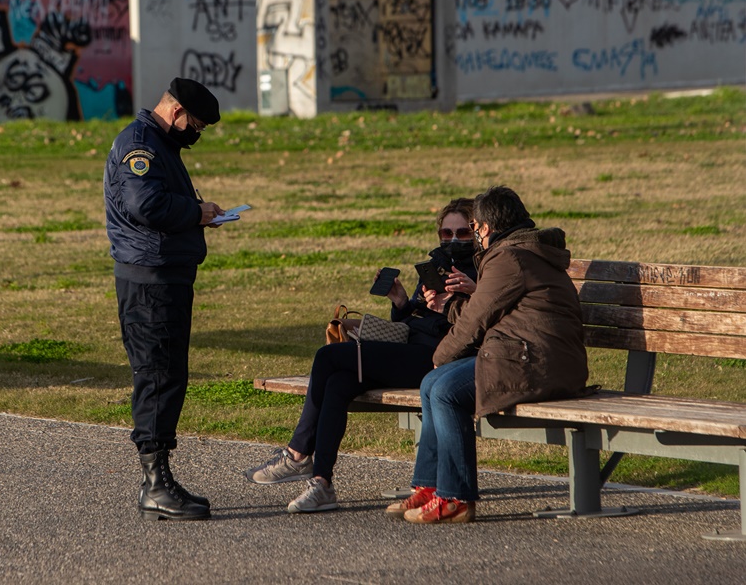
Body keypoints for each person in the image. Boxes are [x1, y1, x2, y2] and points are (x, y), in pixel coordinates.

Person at [244, 199, 479, 513]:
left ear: (476, 231)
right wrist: (400, 301)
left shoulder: (481, 270)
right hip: (409, 351)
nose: (452, 239)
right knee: (339, 382)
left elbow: (475, 326)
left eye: (461, 232)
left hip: (439, 361)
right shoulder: (435, 265)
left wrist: (459, 299)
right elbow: (411, 323)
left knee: (328, 357)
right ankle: (322, 483)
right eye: (445, 232)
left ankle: (298, 453)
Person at [386, 186, 589, 524]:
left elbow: (477, 321)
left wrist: (442, 355)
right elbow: (486, 311)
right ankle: (431, 486)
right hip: (527, 353)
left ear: (486, 227)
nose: (476, 234)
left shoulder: (509, 257)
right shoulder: (519, 251)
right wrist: (449, 305)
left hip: (538, 361)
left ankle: (457, 498)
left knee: (446, 390)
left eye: (475, 226)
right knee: (432, 383)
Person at [103, 78, 225, 521]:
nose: (197, 134)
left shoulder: (159, 144)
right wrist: (196, 211)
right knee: (158, 377)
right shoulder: (141, 146)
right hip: (150, 282)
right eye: (196, 124)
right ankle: (156, 485)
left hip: (164, 277)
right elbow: (145, 205)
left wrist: (198, 214)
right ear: (175, 113)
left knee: (168, 373)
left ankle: (158, 480)